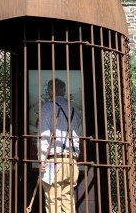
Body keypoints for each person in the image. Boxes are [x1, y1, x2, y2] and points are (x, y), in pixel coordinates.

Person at [39, 78, 81, 213]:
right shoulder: (73, 110)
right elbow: (76, 135)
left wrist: (42, 159)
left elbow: (44, 135)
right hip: (71, 161)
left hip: (54, 161)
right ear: (63, 91)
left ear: (51, 90)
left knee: (53, 200)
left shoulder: (47, 107)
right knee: (68, 200)